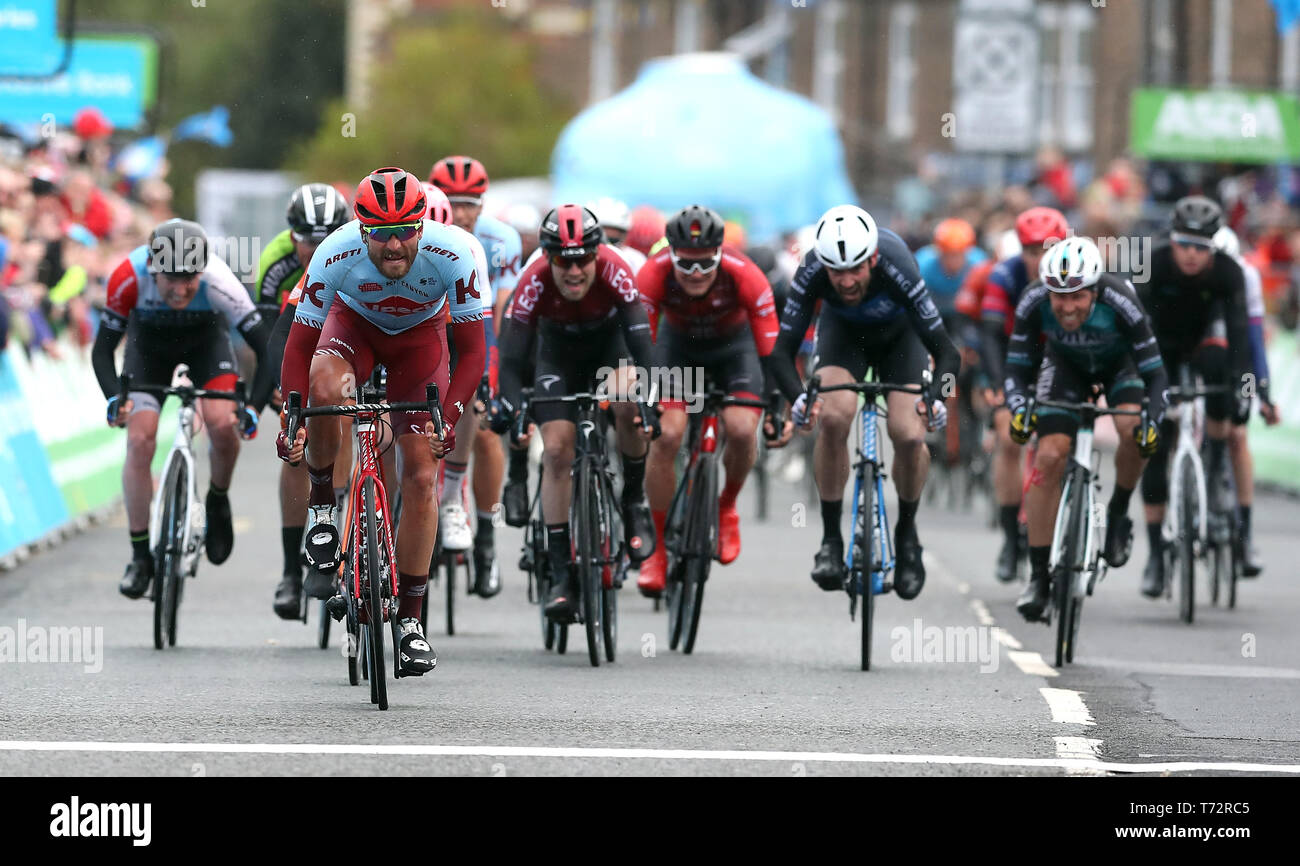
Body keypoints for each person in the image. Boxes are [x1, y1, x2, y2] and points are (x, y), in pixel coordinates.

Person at [276, 166, 486, 676]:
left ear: (421, 225)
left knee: (420, 474)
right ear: (360, 229)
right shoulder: (335, 252)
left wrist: (449, 417)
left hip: (420, 343)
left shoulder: (456, 252)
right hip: (355, 332)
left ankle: (411, 623)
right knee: (327, 390)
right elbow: (300, 344)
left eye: (405, 231)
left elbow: (475, 351)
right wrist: (293, 416)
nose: (394, 246)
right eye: (380, 234)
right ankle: (324, 505)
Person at [768, 205, 958, 600]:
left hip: (900, 341)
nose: (847, 281)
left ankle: (907, 534)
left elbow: (949, 354)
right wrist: (798, 398)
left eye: (856, 269)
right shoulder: (811, 271)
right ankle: (830, 541)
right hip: (844, 339)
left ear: (872, 258)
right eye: (837, 272)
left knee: (907, 433)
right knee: (834, 417)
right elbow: (781, 353)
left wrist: (938, 398)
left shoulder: (898, 265)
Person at [492, 204, 658, 623]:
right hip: (556, 357)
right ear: (548, 257)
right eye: (564, 261)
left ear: (597, 253)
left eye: (583, 259)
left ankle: (634, 499)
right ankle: (562, 571)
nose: (574, 270)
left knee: (627, 401)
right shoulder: (533, 281)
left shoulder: (616, 270)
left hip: (610, 350)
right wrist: (511, 405)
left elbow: (643, 345)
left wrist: (651, 401)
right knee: (558, 451)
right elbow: (511, 361)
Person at [94, 219, 275, 599]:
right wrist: (115, 397)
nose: (179, 289)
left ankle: (217, 499)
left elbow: (266, 349)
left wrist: (254, 408)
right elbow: (102, 349)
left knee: (223, 425)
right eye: (170, 279)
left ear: (202, 271)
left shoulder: (220, 280)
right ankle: (140, 555)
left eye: (188, 280)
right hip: (149, 350)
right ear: (153, 270)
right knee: (140, 440)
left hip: (206, 346)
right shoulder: (128, 275)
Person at [1007, 237, 1167, 621]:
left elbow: (1156, 373)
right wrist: (1019, 408)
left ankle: (1117, 513)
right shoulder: (1032, 299)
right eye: (1058, 297)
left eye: (1077, 296)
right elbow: (1016, 367)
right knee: (1048, 457)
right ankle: (1039, 577)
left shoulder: (1120, 299)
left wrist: (1153, 421)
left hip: (1119, 366)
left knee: (1133, 430)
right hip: (1065, 367)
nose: (1066, 306)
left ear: (1095, 290)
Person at [633, 205, 784, 596]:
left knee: (739, 426)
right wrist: (643, 400)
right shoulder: (653, 273)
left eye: (706, 265)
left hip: (735, 350)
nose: (696, 275)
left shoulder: (745, 273)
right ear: (671, 256)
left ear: (721, 254)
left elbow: (771, 349)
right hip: (678, 349)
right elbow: (640, 345)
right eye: (686, 265)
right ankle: (659, 549)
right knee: (667, 436)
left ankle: (726, 505)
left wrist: (777, 404)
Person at [1137, 196, 1253, 599]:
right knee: (1154, 445)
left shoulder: (1228, 272)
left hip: (1206, 342)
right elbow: (1135, 331)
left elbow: (1242, 338)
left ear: (1213, 247)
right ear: (1172, 240)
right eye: (1184, 244)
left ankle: (1217, 458)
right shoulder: (1151, 261)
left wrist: (1246, 389)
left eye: (1201, 247)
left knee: (1224, 367)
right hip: (1160, 348)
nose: (1191, 254)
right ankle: (1154, 556)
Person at [427, 155, 521, 597]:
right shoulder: (421, 229)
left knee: (484, 427)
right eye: (453, 202)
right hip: (429, 332)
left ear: (482, 204)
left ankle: (485, 537)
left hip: (483, 330)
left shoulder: (499, 241)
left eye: (470, 203)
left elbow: (497, 316)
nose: (461, 213)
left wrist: (488, 377)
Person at [262, 184, 352, 619]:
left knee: (350, 413)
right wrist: (274, 388)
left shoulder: (356, 254)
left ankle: (341, 511)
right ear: (292, 236)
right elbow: (265, 333)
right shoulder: (275, 263)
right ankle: (290, 572)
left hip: (351, 343)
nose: (315, 249)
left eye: (326, 239)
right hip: (300, 339)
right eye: (307, 241)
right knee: (295, 443)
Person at [978, 207, 1069, 583]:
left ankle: (1055, 525)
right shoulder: (1004, 274)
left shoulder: (1074, 270)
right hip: (1014, 360)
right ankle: (1011, 540)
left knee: (1056, 445)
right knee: (1008, 436)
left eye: (1046, 249)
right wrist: (999, 384)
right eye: (1030, 250)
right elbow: (989, 334)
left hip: (1061, 361)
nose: (1038, 259)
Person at [1213, 226, 1281, 576]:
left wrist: (1262, 392)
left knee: (1238, 437)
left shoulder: (1247, 276)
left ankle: (1245, 533)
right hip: (1199, 358)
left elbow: (1254, 340)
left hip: (1237, 364)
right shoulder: (1190, 275)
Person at [586, 196, 647, 272]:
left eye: (613, 241)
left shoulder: (637, 262)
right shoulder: (578, 262)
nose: (607, 249)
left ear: (625, 236)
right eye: (600, 241)